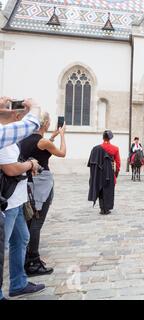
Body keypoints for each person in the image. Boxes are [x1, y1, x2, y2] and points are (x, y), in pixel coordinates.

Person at [0, 97, 43, 300]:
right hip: (6, 202)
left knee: (22, 238)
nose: (10, 105)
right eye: (6, 105)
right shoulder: (2, 134)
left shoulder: (9, 135)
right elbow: (9, 168)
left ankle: (18, 283)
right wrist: (30, 165)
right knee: (2, 246)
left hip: (16, 200)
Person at [19, 112, 66, 277]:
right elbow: (62, 153)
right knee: (37, 223)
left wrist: (52, 136)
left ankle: (27, 257)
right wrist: (62, 135)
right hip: (42, 184)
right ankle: (33, 260)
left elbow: (41, 148)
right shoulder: (43, 142)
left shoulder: (24, 140)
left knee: (30, 220)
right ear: (45, 124)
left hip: (28, 183)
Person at [88, 130, 121, 215]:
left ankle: (102, 208)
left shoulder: (95, 148)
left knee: (101, 189)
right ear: (110, 138)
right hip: (109, 172)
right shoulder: (115, 148)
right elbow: (118, 163)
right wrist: (116, 173)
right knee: (108, 190)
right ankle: (107, 208)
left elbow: (91, 163)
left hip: (99, 172)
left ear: (103, 137)